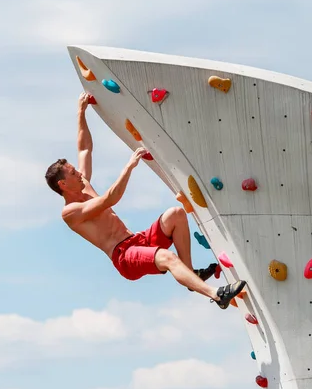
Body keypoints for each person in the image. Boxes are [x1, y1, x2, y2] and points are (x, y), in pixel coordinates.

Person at [44, 92, 246, 309]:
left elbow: (84, 149)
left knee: (175, 214)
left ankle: (190, 274)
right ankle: (217, 295)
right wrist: (129, 167)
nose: (79, 174)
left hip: (137, 240)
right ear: (63, 185)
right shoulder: (70, 212)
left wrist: (81, 112)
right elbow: (110, 199)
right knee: (168, 258)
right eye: (73, 173)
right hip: (124, 256)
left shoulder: (83, 184)